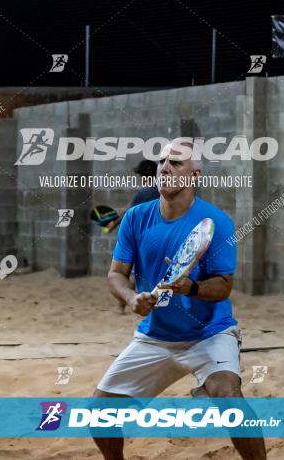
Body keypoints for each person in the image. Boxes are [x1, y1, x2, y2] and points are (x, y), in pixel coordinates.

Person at [91, 141, 266, 460]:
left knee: (228, 398)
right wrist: (131, 298)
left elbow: (224, 286)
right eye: (161, 162)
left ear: (195, 174)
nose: (165, 167)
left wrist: (191, 287)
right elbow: (115, 274)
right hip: (155, 337)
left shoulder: (217, 222)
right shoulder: (135, 218)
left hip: (209, 335)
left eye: (176, 162)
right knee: (99, 415)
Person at [107, 159, 159, 313]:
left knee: (128, 273)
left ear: (144, 176)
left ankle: (122, 305)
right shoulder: (162, 189)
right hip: (159, 238)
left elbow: (128, 212)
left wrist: (113, 224)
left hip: (143, 238)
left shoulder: (145, 192)